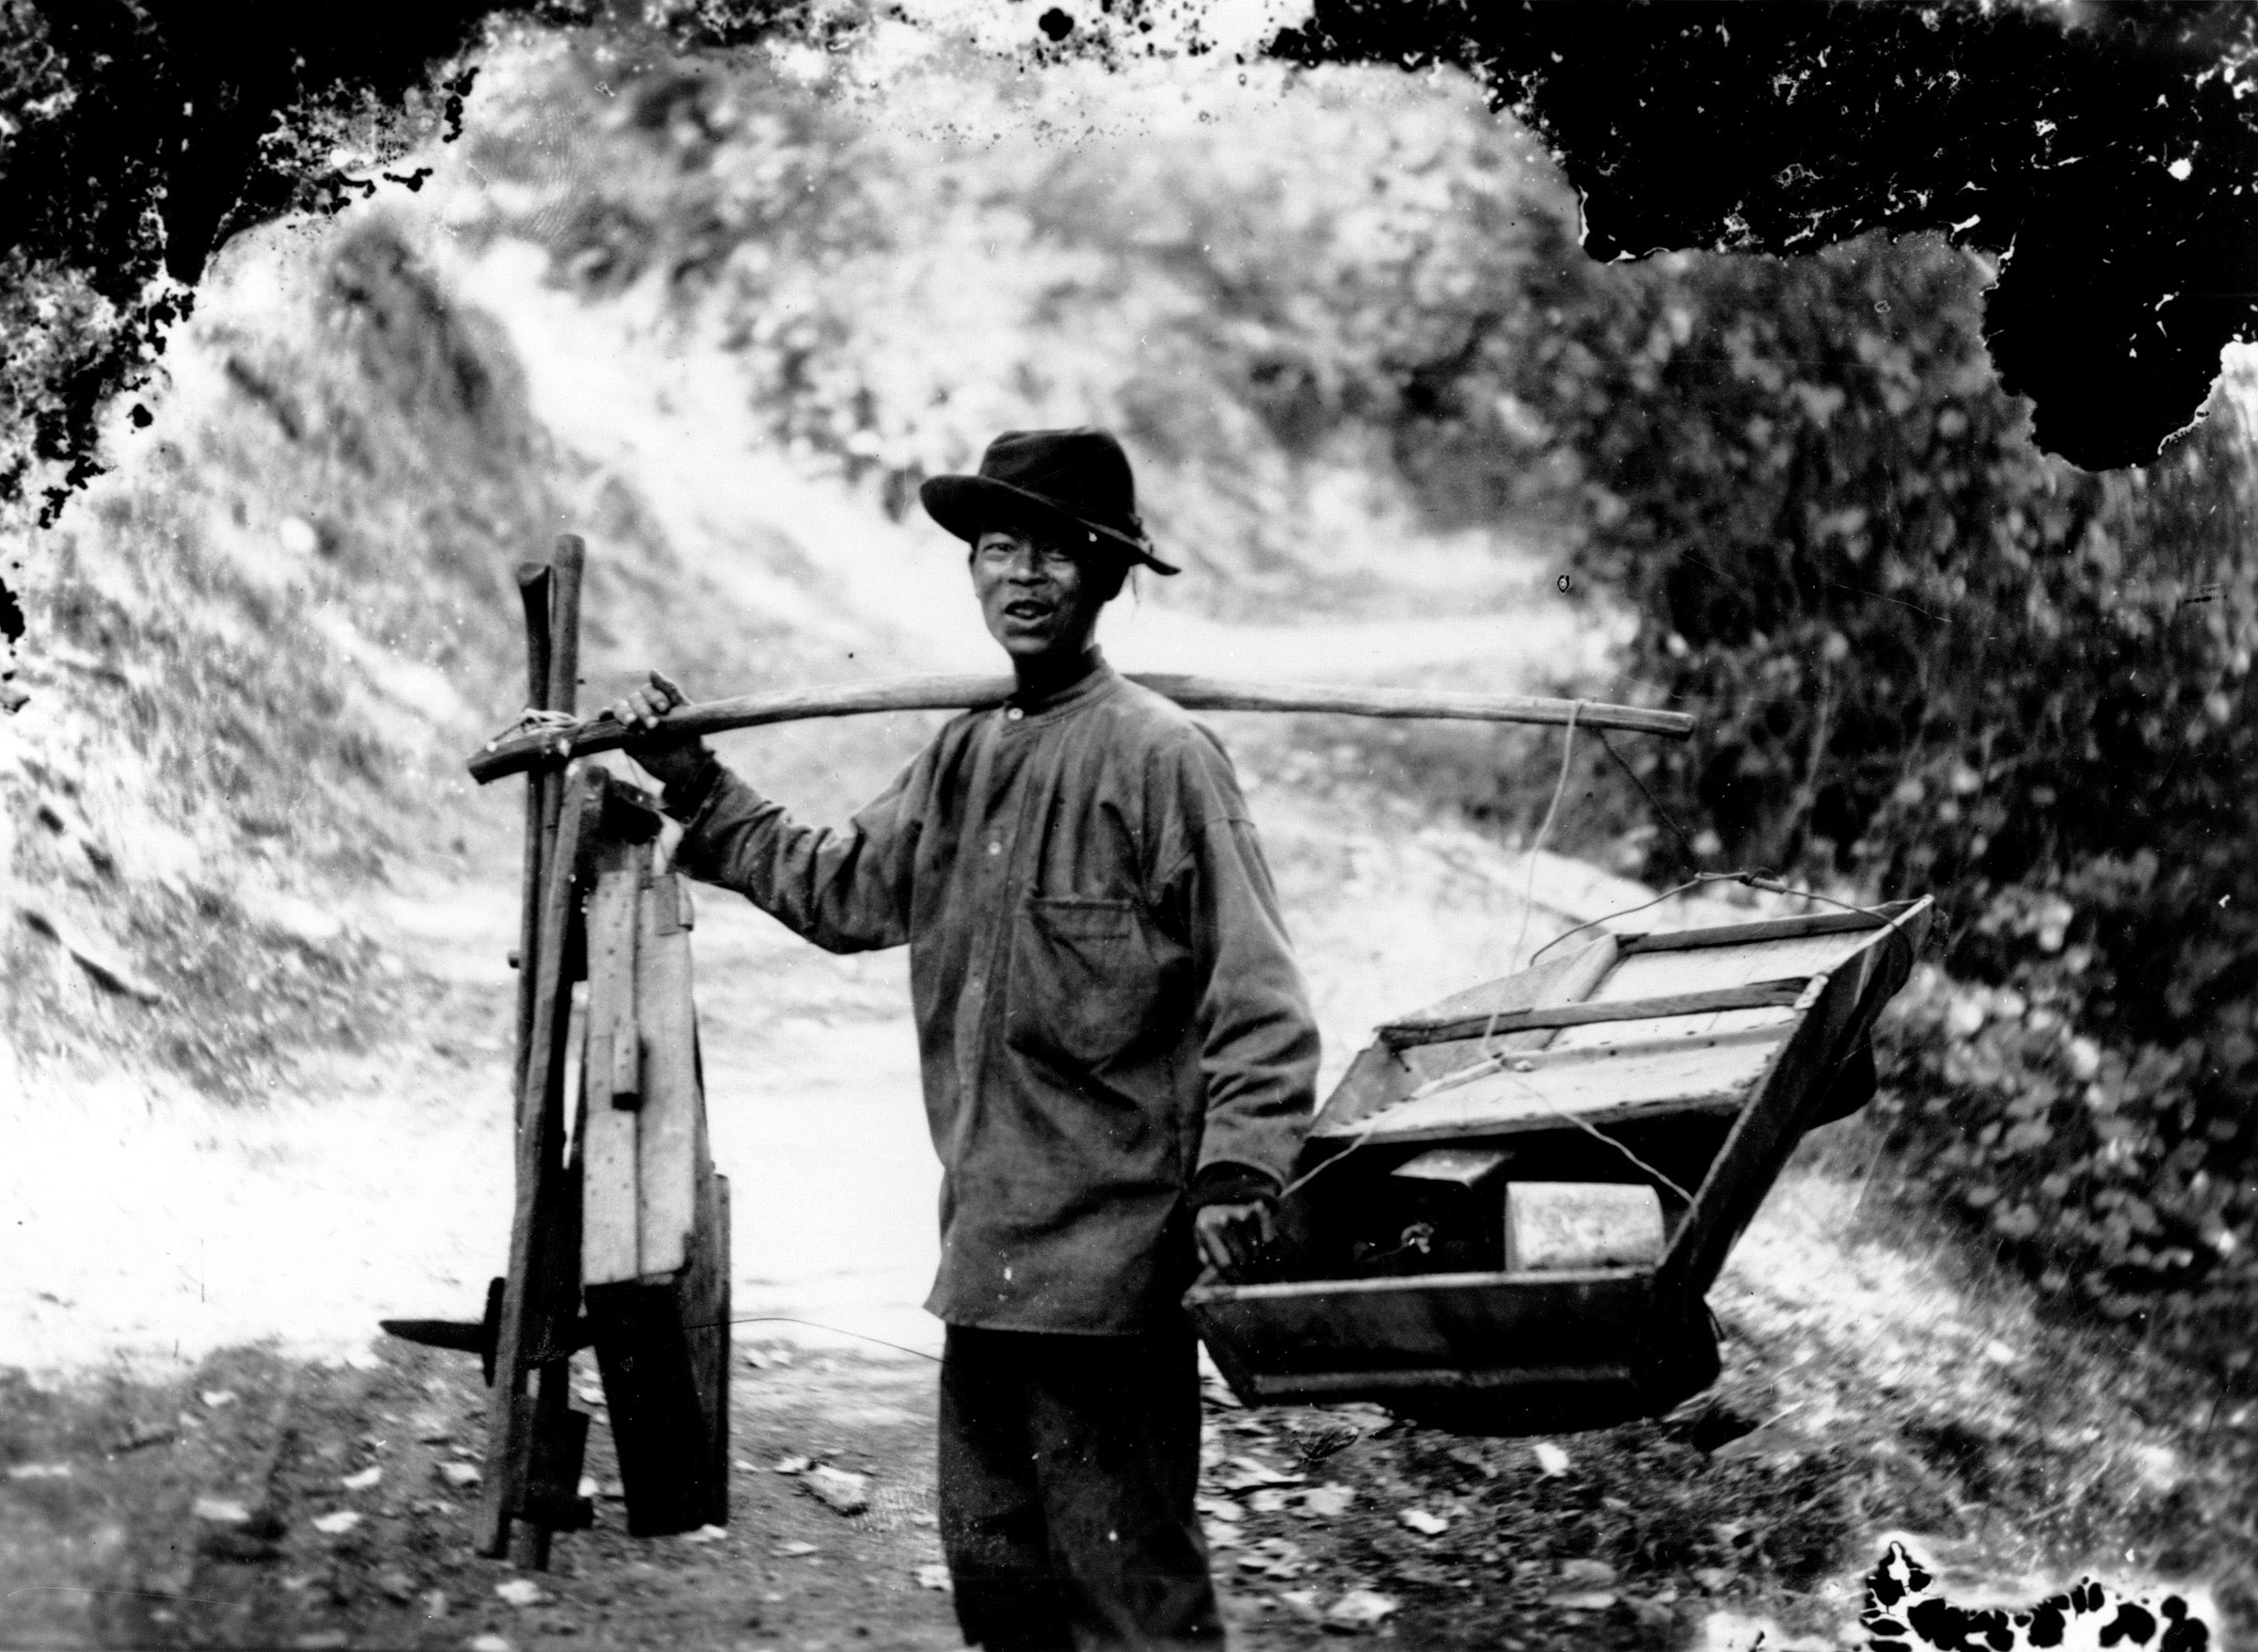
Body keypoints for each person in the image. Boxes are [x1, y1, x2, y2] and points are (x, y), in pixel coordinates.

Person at [610, 427, 1319, 1651]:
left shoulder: (1161, 761)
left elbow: (1259, 998)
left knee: (1135, 1605)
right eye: (998, 548)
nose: (1024, 575)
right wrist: (696, 785)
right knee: (1004, 1599)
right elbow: (840, 891)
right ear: (973, 570)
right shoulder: (962, 756)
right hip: (983, 1268)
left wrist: (1238, 1175)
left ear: (1110, 579)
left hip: (1112, 1284)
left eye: (1058, 551)